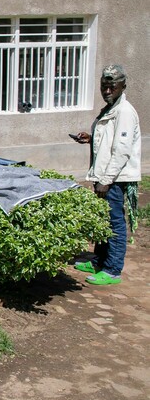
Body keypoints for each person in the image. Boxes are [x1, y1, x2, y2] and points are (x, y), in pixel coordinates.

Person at [71, 64, 141, 285]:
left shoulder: (125, 112)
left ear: (123, 86)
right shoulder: (111, 108)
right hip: (104, 176)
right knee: (104, 221)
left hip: (115, 179)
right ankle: (99, 260)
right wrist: (90, 139)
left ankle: (112, 270)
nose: (107, 91)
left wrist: (106, 181)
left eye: (112, 87)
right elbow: (110, 141)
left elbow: (121, 151)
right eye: (104, 86)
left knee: (114, 223)